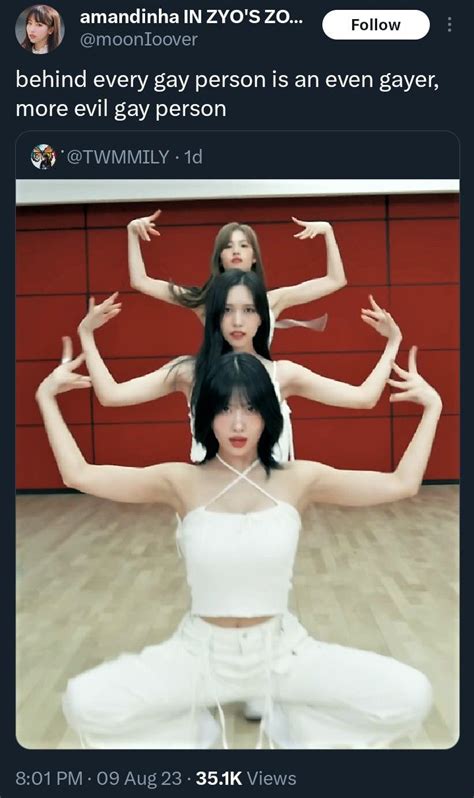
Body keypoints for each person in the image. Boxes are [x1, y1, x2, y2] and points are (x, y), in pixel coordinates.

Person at [36, 348, 441, 749]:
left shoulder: (300, 478)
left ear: (269, 413)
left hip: (283, 653)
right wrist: (46, 398)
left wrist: (432, 408)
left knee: (411, 693)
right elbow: (79, 474)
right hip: (199, 653)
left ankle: (301, 732)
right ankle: (192, 735)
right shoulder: (180, 480)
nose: (238, 423)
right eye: (224, 409)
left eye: (250, 408)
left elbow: (400, 484)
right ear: (205, 415)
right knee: (83, 701)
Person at [76, 269, 402, 464]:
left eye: (248, 310)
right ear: (213, 316)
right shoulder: (189, 372)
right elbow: (111, 395)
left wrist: (392, 343)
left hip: (269, 501)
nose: (236, 321)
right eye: (227, 310)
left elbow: (363, 398)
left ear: (262, 318)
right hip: (208, 501)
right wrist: (86, 335)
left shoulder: (282, 374)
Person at [127, 209, 347, 332]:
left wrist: (328, 232)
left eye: (243, 245)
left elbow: (335, 280)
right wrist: (132, 233)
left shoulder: (273, 300)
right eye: (228, 246)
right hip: (217, 392)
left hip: (261, 389)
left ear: (253, 258)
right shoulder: (204, 301)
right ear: (220, 258)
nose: (236, 251)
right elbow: (141, 281)